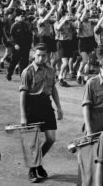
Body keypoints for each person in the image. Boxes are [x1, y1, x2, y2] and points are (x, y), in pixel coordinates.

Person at [19, 43, 63, 183]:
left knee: (51, 139)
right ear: (33, 54)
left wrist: (59, 107)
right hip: (32, 105)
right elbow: (23, 95)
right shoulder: (28, 71)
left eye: (44, 55)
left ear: (48, 55)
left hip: (46, 104)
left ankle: (37, 163)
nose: (41, 58)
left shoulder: (50, 69)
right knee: (33, 142)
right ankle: (33, 169)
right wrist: (23, 115)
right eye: (38, 55)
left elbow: (53, 88)